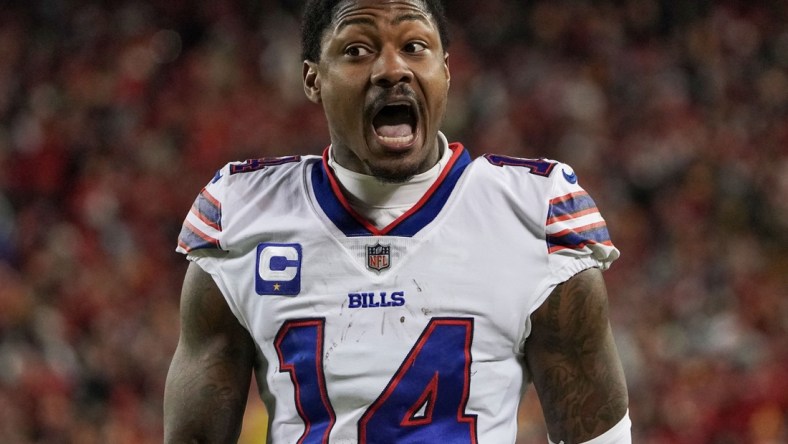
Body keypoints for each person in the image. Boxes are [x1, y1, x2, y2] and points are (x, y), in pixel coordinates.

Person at [163, 0, 631, 443]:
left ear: (446, 70)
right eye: (357, 50)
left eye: (414, 46)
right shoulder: (244, 213)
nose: (391, 70)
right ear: (312, 79)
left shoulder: (532, 211)